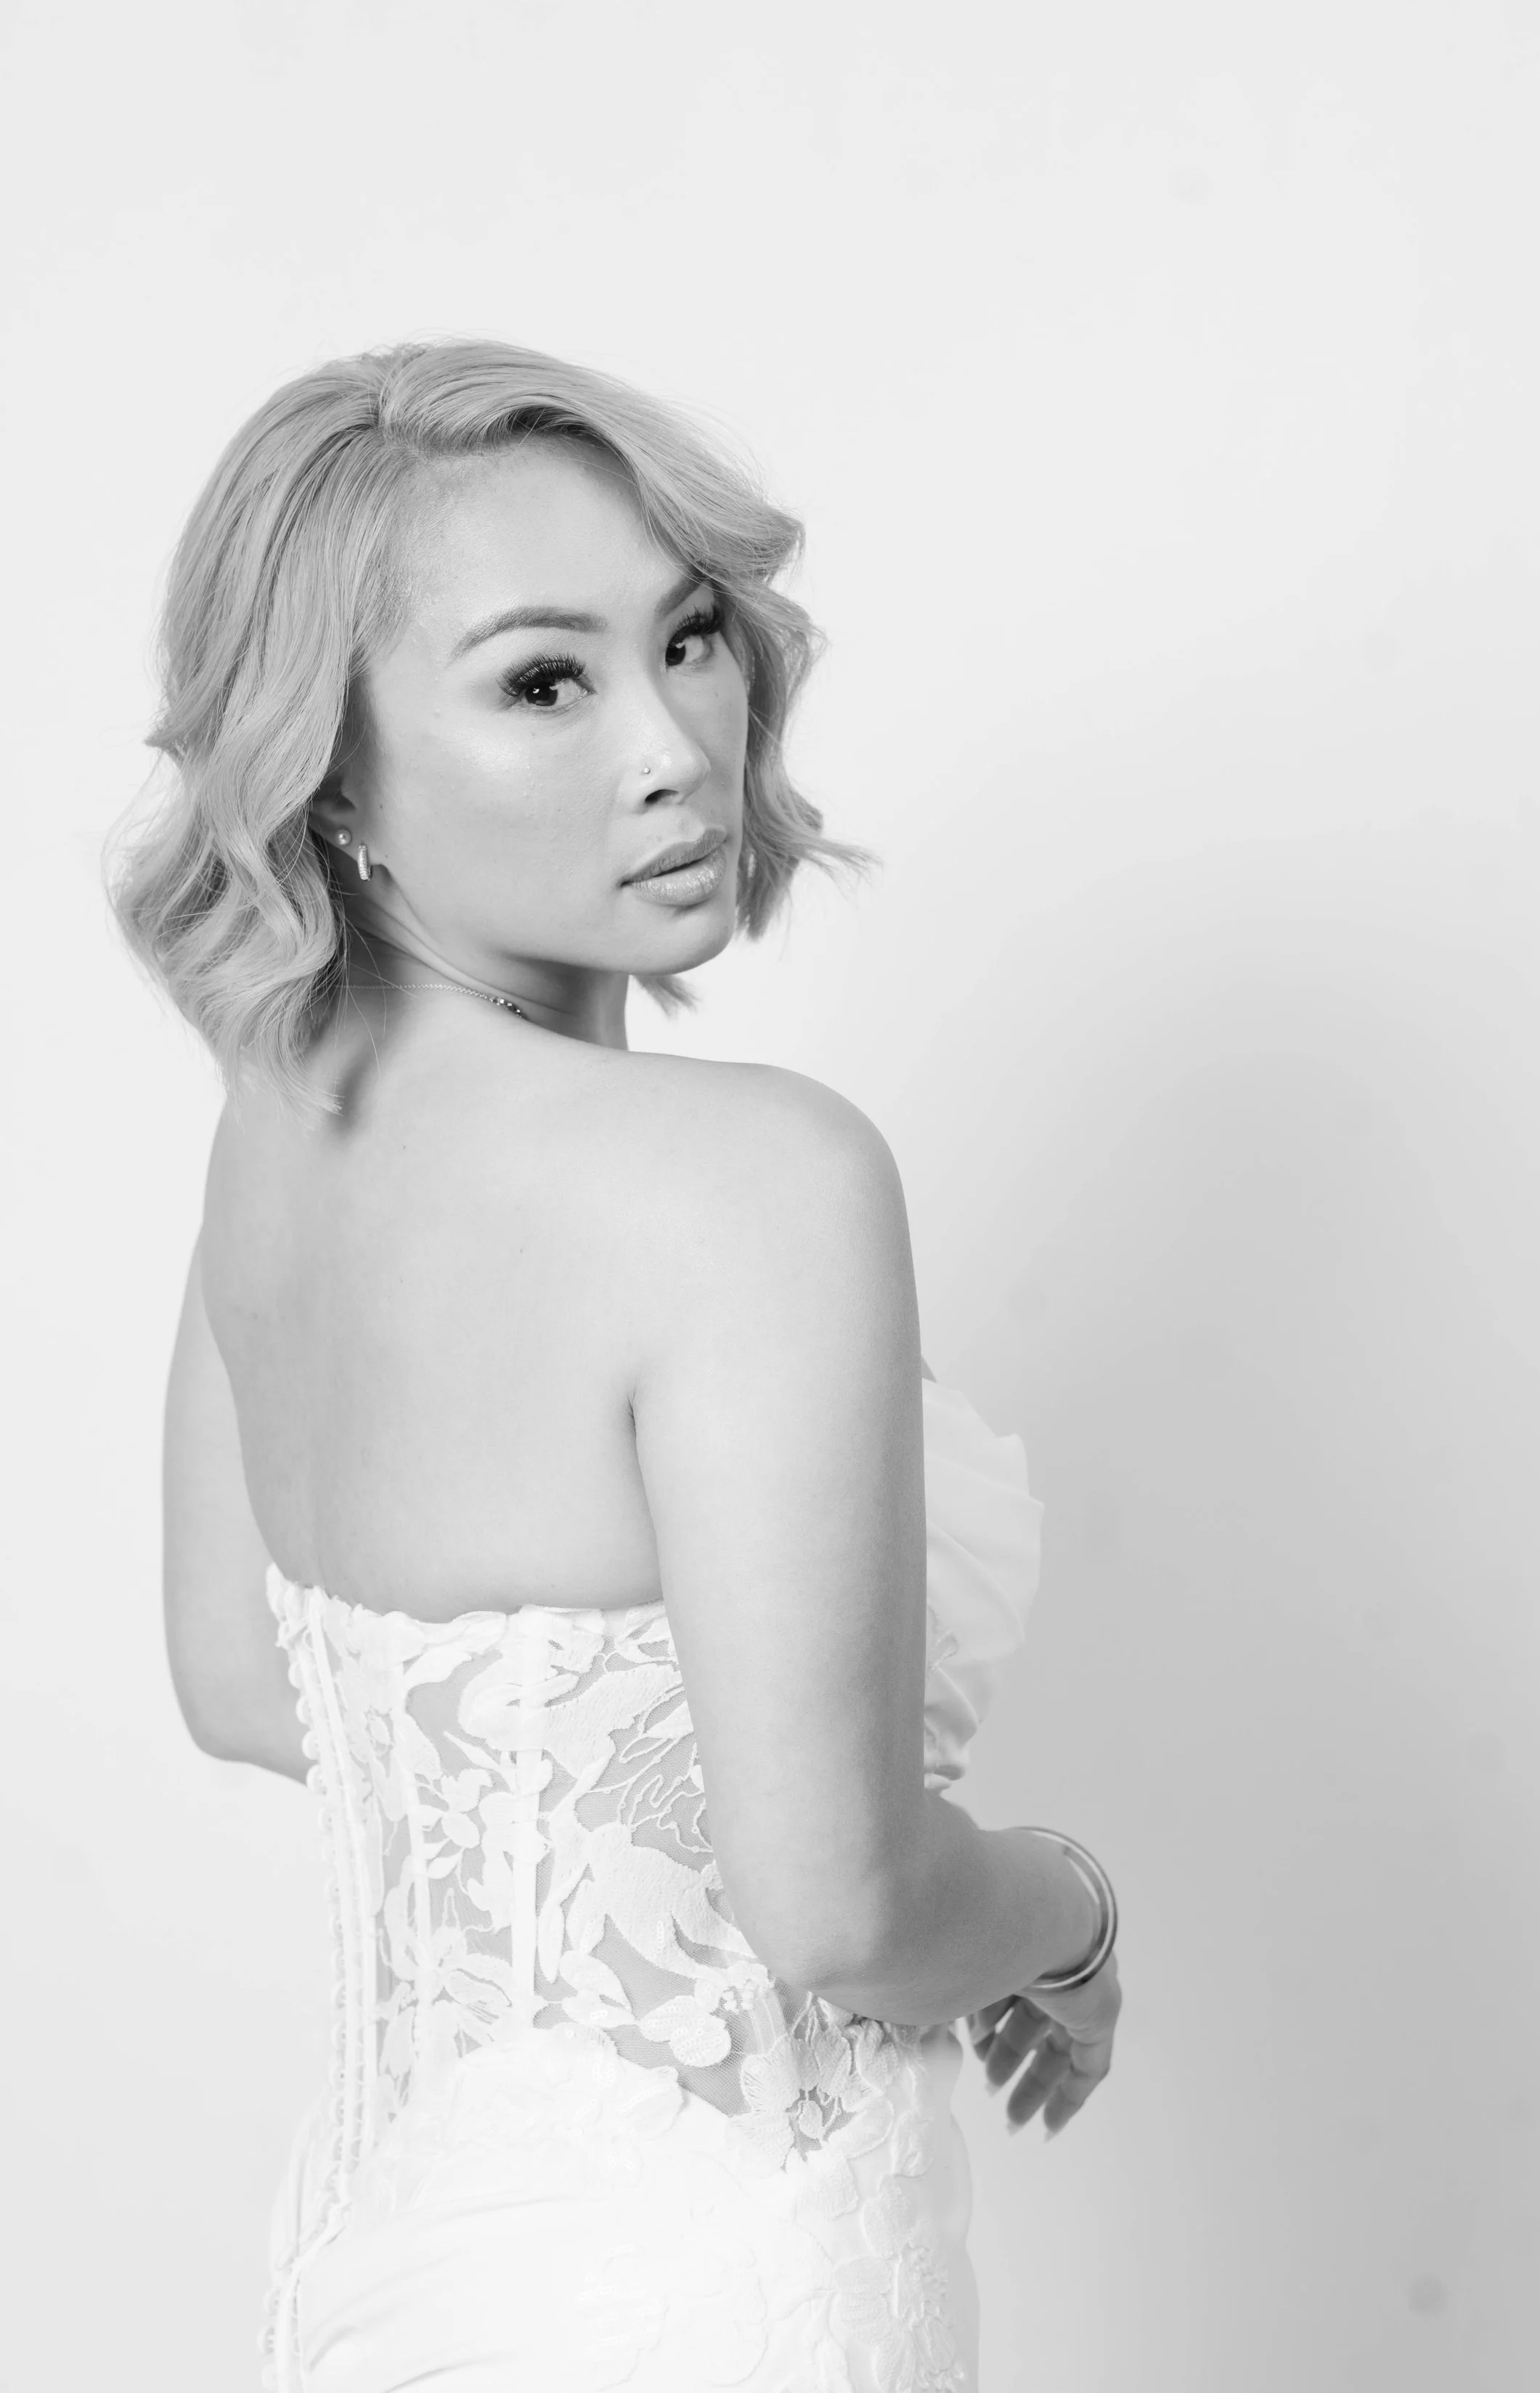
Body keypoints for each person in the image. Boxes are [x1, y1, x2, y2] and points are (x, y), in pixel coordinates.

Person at [107, 338, 1122, 2393]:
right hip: (711, 2288)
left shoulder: (278, 1121)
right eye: (542, 679)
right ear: (327, 763)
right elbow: (837, 1904)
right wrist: (1066, 1916)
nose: (672, 742)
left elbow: (242, 1673)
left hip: (393, 2261)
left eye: (688, 641)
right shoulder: (753, 1179)